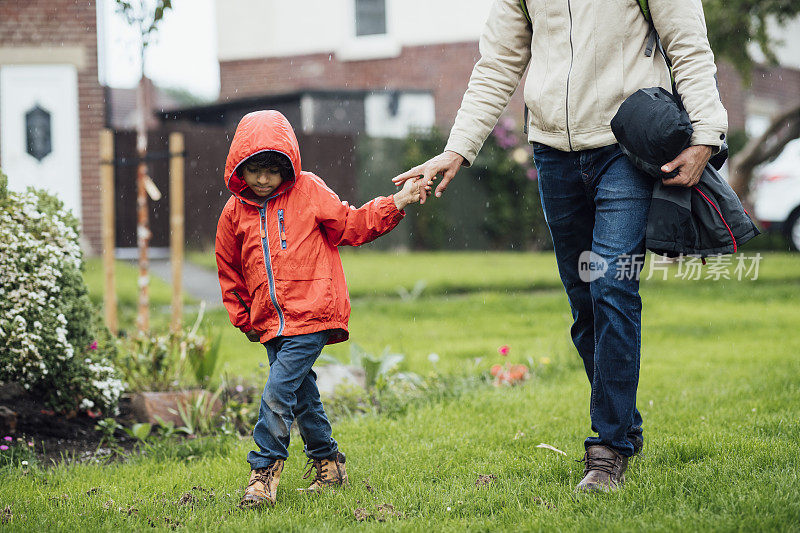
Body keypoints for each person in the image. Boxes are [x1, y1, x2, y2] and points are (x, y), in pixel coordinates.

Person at [393, 0, 727, 492]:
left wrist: (706, 133)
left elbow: (687, 44)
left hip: (626, 143)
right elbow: (499, 62)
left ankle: (608, 448)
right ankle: (624, 425)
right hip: (553, 154)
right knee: (584, 300)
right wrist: (458, 148)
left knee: (611, 283)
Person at [216, 110, 420, 507]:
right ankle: (329, 462)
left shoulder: (308, 191)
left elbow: (351, 224)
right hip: (270, 323)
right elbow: (229, 268)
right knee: (303, 396)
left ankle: (263, 472)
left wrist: (396, 202)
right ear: (240, 167)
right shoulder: (233, 212)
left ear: (288, 166)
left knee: (277, 393)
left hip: (311, 315)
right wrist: (245, 319)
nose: (262, 179)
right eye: (254, 170)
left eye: (271, 171)